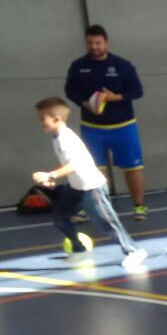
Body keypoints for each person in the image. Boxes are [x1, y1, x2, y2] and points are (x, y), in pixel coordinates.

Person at [32, 97, 147, 270]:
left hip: (92, 188)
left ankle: (134, 251)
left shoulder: (66, 139)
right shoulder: (57, 138)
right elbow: (66, 163)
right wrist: (51, 177)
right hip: (76, 188)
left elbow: (75, 164)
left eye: (43, 118)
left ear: (56, 118)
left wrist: (51, 174)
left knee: (107, 223)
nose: (40, 122)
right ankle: (79, 250)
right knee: (60, 217)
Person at [64, 25, 150, 220]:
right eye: (90, 43)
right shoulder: (78, 66)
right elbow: (70, 91)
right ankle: (93, 208)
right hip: (93, 128)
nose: (94, 46)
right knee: (91, 171)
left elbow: (137, 91)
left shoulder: (122, 65)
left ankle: (139, 206)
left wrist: (115, 97)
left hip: (123, 126)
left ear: (106, 43)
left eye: (98, 43)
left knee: (132, 168)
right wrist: (85, 103)